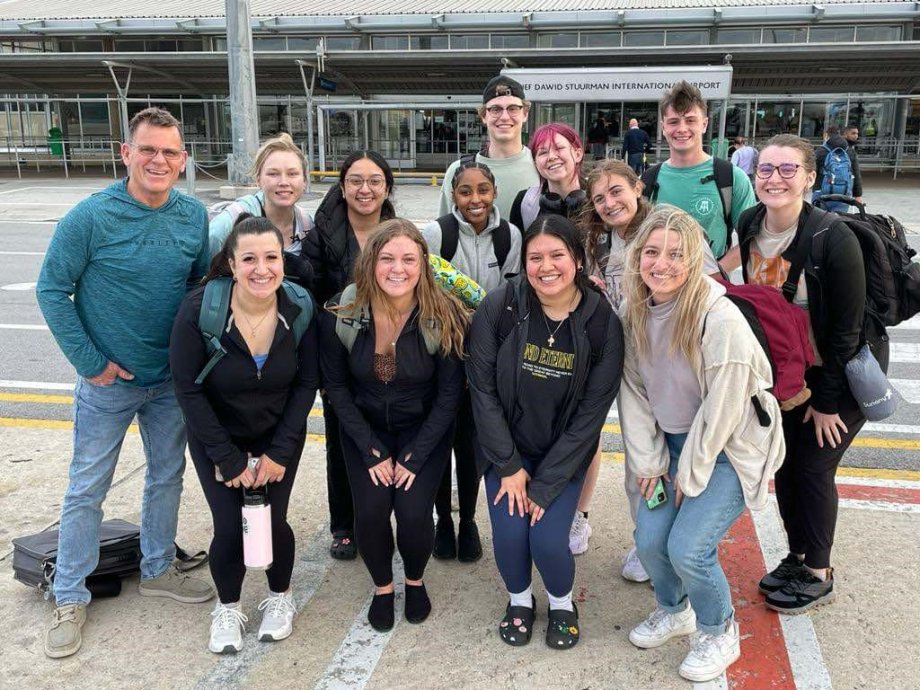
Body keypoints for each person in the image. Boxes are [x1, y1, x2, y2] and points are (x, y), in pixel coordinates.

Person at [36, 107, 215, 659]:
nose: (158, 160)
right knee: (87, 486)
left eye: (169, 152)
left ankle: (159, 566)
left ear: (183, 159)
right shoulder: (89, 218)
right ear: (126, 153)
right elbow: (50, 291)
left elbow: (196, 287)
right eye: (148, 150)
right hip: (107, 383)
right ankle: (69, 594)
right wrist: (91, 363)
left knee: (166, 476)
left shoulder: (192, 217)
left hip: (169, 382)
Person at [618, 206, 784, 683]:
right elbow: (634, 391)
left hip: (727, 448)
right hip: (668, 442)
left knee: (688, 546)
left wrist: (689, 475)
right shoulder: (635, 311)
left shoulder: (719, 315)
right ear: (637, 257)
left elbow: (724, 410)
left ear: (694, 260)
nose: (661, 263)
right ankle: (675, 610)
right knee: (650, 541)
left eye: (676, 253)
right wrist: (650, 461)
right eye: (651, 252)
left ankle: (718, 628)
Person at [738, 134, 887, 613]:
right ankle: (798, 556)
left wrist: (824, 402)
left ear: (810, 178)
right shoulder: (749, 223)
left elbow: (844, 333)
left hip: (837, 375)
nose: (774, 178)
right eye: (765, 169)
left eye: (787, 169)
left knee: (814, 466)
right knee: (784, 465)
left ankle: (819, 570)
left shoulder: (833, 236)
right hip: (788, 374)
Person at [468, 215, 624, 650]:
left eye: (557, 255)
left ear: (576, 258)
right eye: (535, 257)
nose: (546, 266)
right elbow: (481, 390)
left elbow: (592, 414)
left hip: (563, 457)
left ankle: (560, 603)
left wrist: (549, 482)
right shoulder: (500, 306)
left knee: (549, 541)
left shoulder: (601, 323)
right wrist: (510, 467)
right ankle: (519, 600)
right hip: (508, 453)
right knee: (511, 536)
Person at [170, 215, 319, 653]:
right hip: (218, 436)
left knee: (272, 520)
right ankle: (228, 606)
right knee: (230, 527)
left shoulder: (299, 307)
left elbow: (306, 384)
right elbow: (187, 389)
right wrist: (227, 458)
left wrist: (279, 451)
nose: (261, 269)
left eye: (271, 257)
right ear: (231, 264)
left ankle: (280, 598)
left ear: (283, 260)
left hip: (277, 437)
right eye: (249, 259)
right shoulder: (201, 310)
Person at [320, 219, 468, 632]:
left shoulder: (444, 314)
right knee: (369, 511)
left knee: (413, 512)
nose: (397, 268)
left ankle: (414, 580)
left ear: (423, 265)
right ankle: (383, 585)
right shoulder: (344, 312)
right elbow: (335, 387)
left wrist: (415, 455)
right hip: (364, 429)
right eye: (387, 258)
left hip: (423, 431)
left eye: (408, 259)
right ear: (371, 264)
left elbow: (449, 396)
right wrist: (370, 449)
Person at [421, 160, 521, 563]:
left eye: (483, 190)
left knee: (471, 443)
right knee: (439, 439)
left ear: (494, 191)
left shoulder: (510, 237)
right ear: (453, 194)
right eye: (465, 191)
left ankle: (467, 521)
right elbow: (420, 288)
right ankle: (442, 519)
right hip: (441, 354)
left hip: (486, 357)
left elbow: (514, 296)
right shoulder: (436, 234)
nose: (475, 199)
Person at [305, 150, 397, 561]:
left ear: (387, 187)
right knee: (342, 437)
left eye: (374, 180)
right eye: (356, 181)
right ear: (342, 187)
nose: (365, 189)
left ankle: (387, 515)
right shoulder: (322, 234)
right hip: (339, 351)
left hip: (392, 347)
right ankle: (344, 524)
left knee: (390, 431)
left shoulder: (400, 231)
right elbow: (307, 293)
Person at [642, 82, 756, 269]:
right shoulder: (647, 180)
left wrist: (715, 275)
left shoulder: (731, 177)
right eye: (673, 122)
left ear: (704, 124)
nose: (681, 128)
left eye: (690, 120)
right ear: (663, 127)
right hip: (659, 286)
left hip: (709, 288)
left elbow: (751, 240)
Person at [208, 133, 314, 288]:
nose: (284, 182)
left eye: (292, 174)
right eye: (273, 174)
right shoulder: (228, 224)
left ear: (304, 180)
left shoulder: (307, 223)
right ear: (258, 180)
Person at [439, 75, 539, 222]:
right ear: (484, 116)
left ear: (525, 114)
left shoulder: (542, 168)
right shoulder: (458, 172)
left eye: (513, 108)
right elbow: (443, 234)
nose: (504, 117)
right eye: (496, 109)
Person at [508, 123, 586, 235]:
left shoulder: (599, 198)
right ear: (535, 163)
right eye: (543, 152)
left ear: (578, 154)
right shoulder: (525, 202)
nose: (551, 157)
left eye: (559, 148)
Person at [813, 125, 863, 211]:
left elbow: (812, 171)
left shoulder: (820, 150)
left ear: (826, 135)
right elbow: (856, 174)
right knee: (839, 221)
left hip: (821, 191)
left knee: (818, 221)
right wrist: (858, 195)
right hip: (844, 193)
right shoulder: (849, 151)